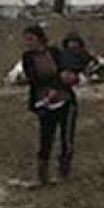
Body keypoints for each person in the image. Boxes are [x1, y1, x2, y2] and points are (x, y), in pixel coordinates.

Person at [21, 24, 78, 185]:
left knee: (66, 138)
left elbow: (65, 70)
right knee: (45, 137)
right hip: (44, 102)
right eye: (26, 40)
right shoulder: (28, 58)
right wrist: (49, 91)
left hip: (65, 99)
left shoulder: (54, 52)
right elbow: (33, 78)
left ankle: (63, 173)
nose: (28, 43)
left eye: (31, 39)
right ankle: (42, 176)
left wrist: (58, 86)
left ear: (40, 39)